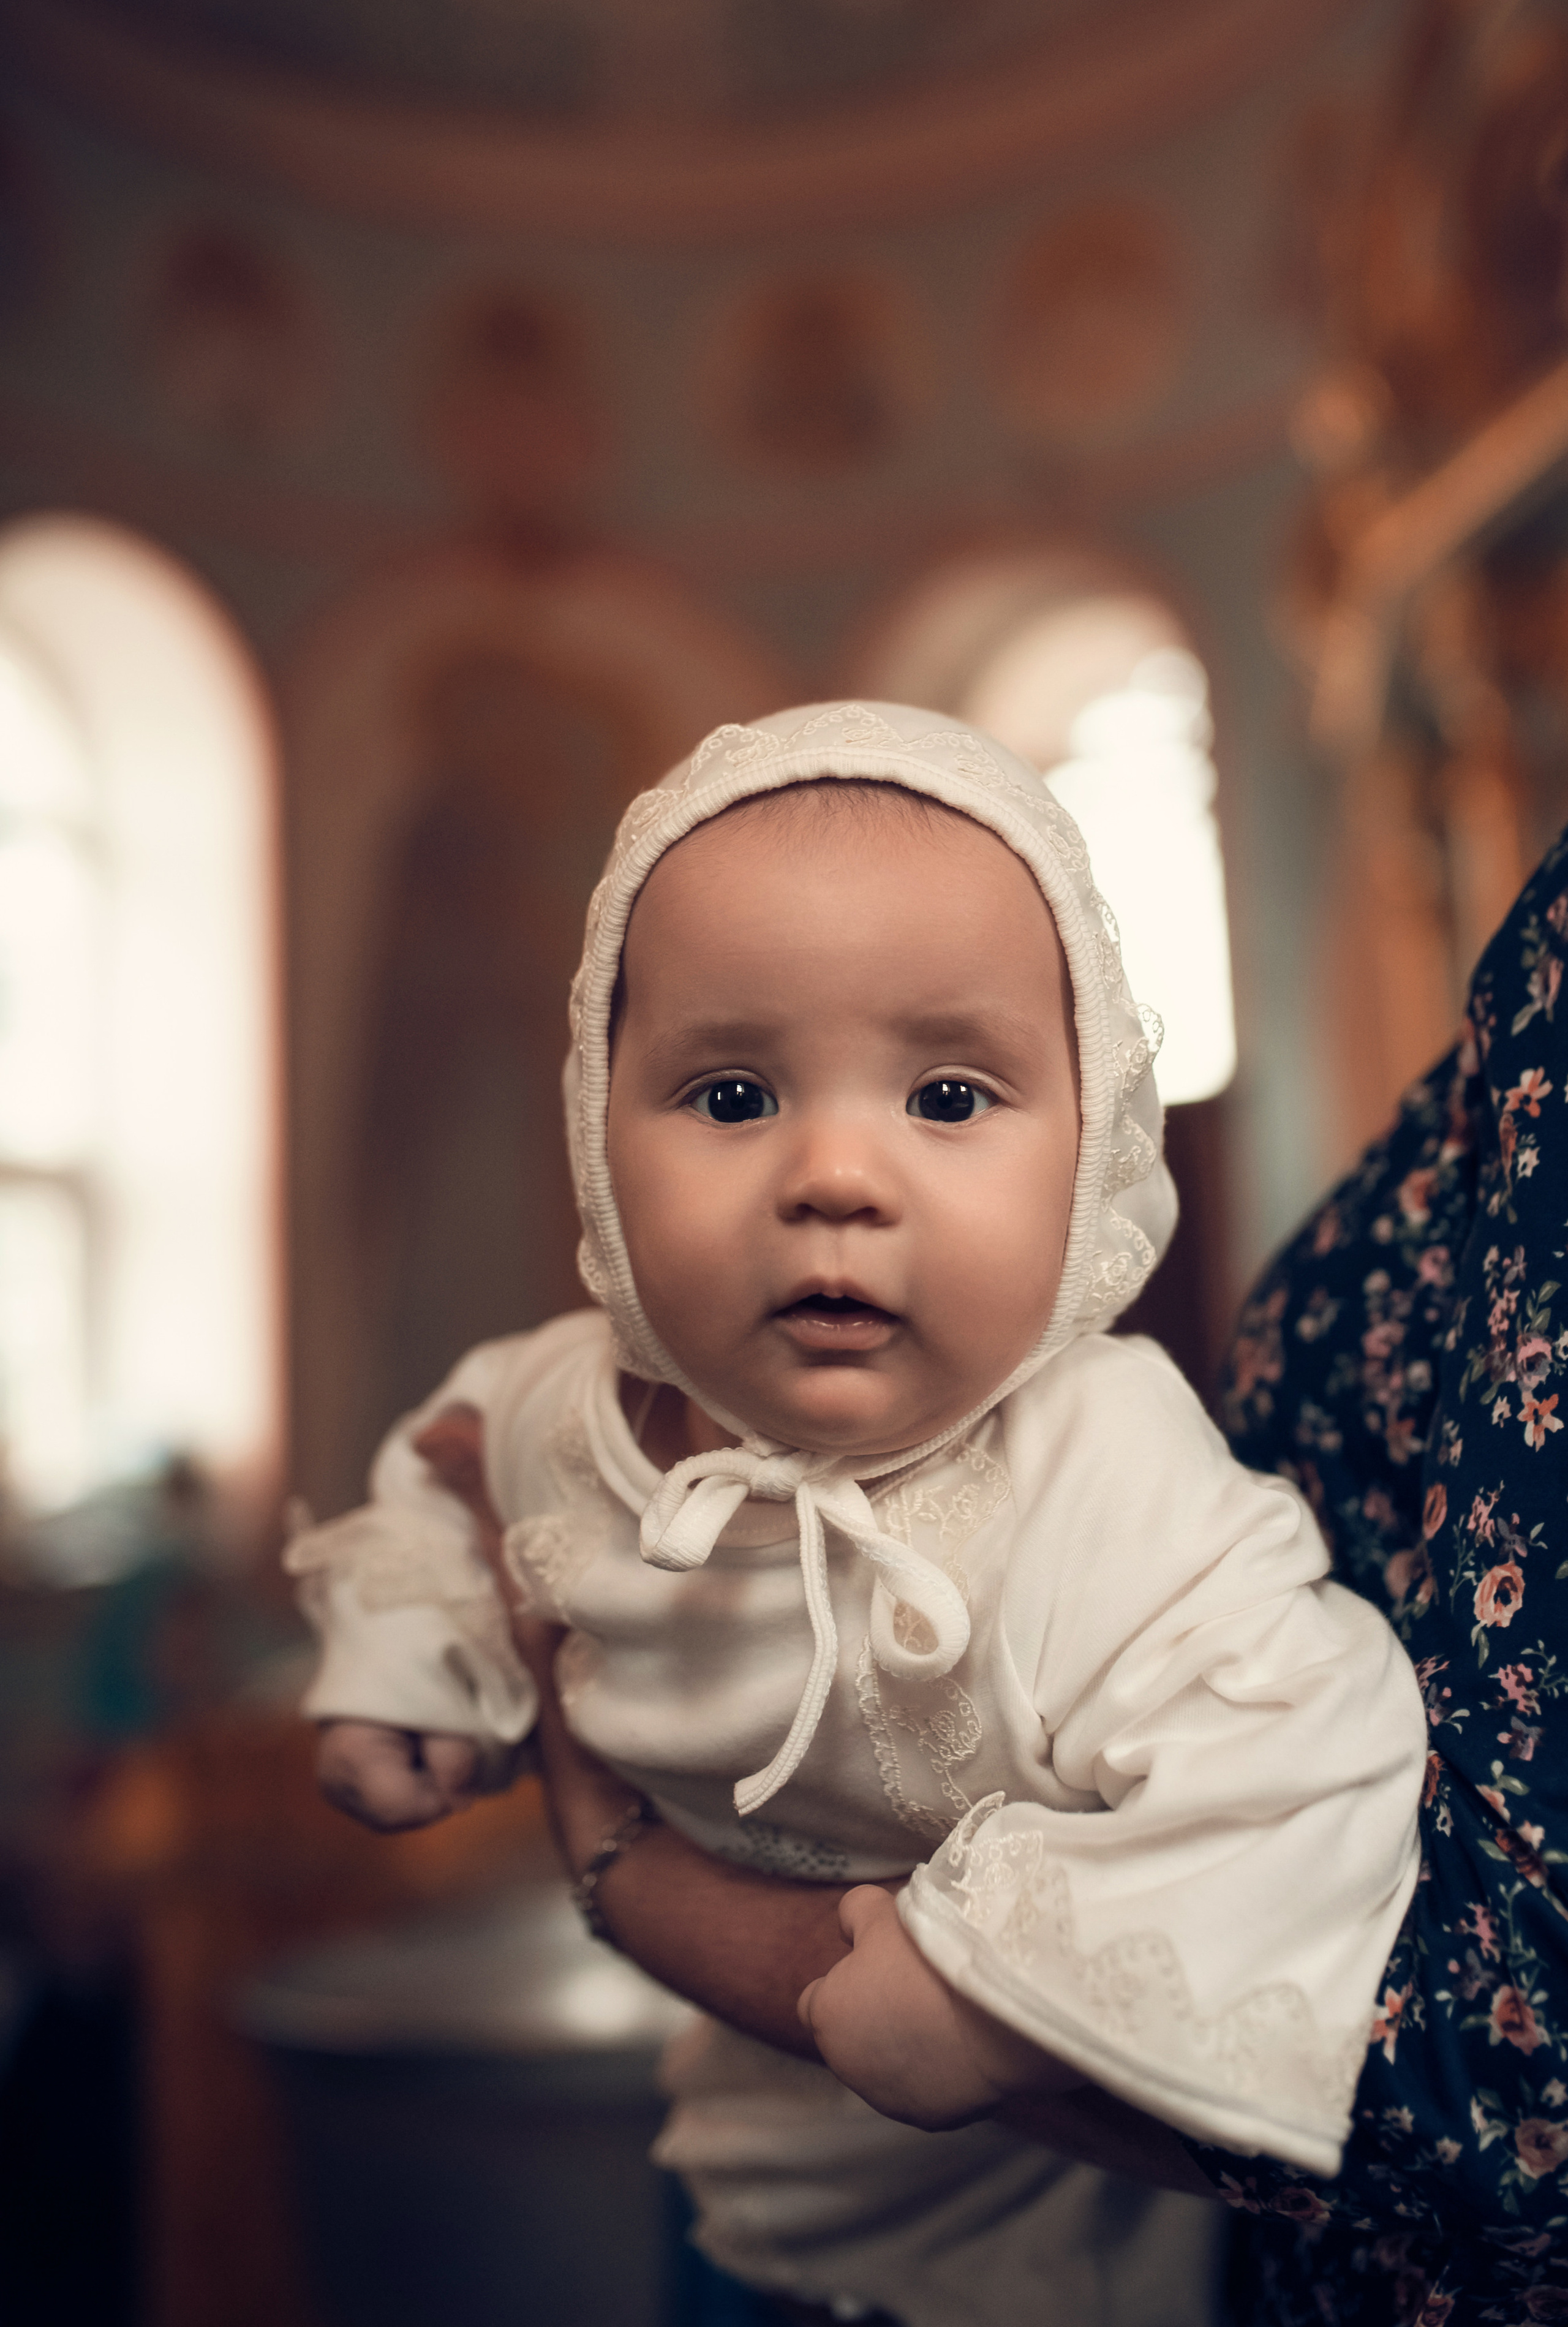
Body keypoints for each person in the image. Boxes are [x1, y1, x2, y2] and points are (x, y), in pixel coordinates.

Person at [289, 701, 1426, 2327]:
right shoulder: (562, 1410)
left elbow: (1313, 1747)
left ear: (1092, 1140)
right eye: (731, 1095)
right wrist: (412, 1670)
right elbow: (438, 1478)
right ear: (596, 1133)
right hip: (743, 2187)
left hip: (1049, 2263)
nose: (835, 1174)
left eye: (948, 1098)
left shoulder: (1098, 1463)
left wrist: (983, 1995)